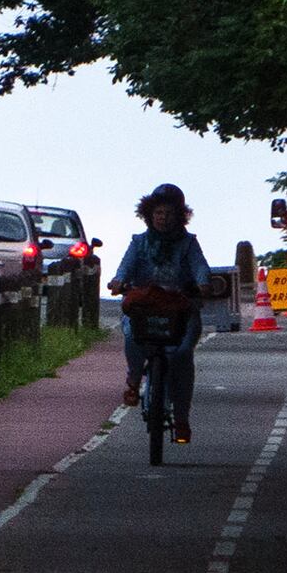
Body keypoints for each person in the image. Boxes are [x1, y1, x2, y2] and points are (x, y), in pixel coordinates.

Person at [110, 183, 213, 445]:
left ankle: (181, 420)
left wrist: (203, 284)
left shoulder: (189, 244)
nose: (163, 218)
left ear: (179, 216)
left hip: (180, 311)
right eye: (158, 213)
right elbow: (124, 269)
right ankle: (134, 379)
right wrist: (118, 281)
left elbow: (200, 268)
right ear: (149, 215)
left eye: (168, 213)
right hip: (145, 309)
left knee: (181, 355)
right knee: (133, 337)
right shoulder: (139, 242)